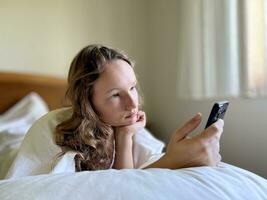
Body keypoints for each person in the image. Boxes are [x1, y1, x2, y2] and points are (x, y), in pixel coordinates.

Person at [6, 44, 223, 178]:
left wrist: (126, 135)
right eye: (116, 95)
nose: (132, 104)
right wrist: (172, 161)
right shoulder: (53, 128)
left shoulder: (126, 125)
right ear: (87, 101)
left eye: (132, 88)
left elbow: (123, 180)